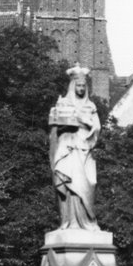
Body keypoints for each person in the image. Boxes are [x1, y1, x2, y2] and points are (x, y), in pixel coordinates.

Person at [48, 65, 101, 231]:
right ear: (72, 86)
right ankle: (68, 222)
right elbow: (55, 129)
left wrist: (86, 122)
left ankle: (87, 222)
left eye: (83, 86)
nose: (81, 88)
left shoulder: (91, 106)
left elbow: (97, 128)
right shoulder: (63, 103)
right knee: (69, 184)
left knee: (88, 184)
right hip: (68, 148)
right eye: (78, 85)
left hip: (85, 148)